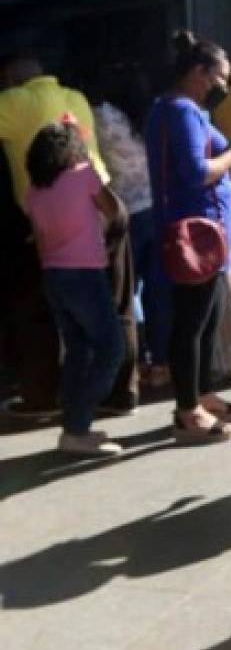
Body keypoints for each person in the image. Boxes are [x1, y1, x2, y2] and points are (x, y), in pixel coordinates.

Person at [146, 31, 231, 444]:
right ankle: (187, 410)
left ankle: (201, 393)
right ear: (198, 73)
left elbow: (211, 167)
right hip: (196, 236)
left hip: (206, 233)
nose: (223, 86)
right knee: (191, 322)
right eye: (220, 77)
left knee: (206, 318)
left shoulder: (177, 110)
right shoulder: (182, 112)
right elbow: (196, 171)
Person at [0, 51, 109, 418]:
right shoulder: (76, 98)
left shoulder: (13, 101)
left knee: (41, 315)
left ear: (10, 79)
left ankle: (51, 400)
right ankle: (114, 396)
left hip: (46, 229)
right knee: (109, 318)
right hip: (98, 212)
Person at [25, 120, 126, 456]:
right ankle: (77, 425)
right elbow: (115, 211)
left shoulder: (34, 192)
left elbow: (40, 241)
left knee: (78, 353)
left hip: (54, 276)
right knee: (111, 348)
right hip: (85, 274)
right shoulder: (83, 175)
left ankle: (74, 430)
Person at [95, 72, 171, 392]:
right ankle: (161, 363)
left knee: (126, 292)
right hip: (159, 208)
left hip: (125, 212)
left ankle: (134, 364)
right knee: (158, 291)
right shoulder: (151, 114)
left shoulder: (103, 116)